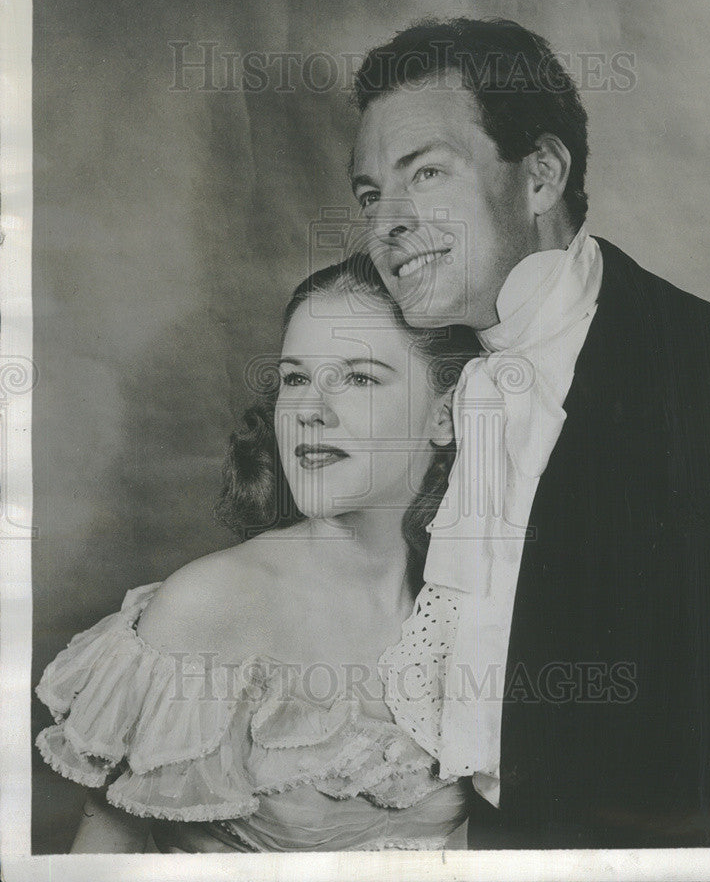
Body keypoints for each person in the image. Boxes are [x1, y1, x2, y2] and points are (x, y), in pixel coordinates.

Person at [349, 18, 710, 848]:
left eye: (425, 172)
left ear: (540, 175)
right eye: (367, 194)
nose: (385, 221)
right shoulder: (426, 394)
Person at [34, 256, 480, 853]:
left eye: (360, 378)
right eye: (296, 378)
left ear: (444, 415)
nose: (310, 410)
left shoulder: (473, 603)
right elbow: (99, 861)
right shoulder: (207, 603)